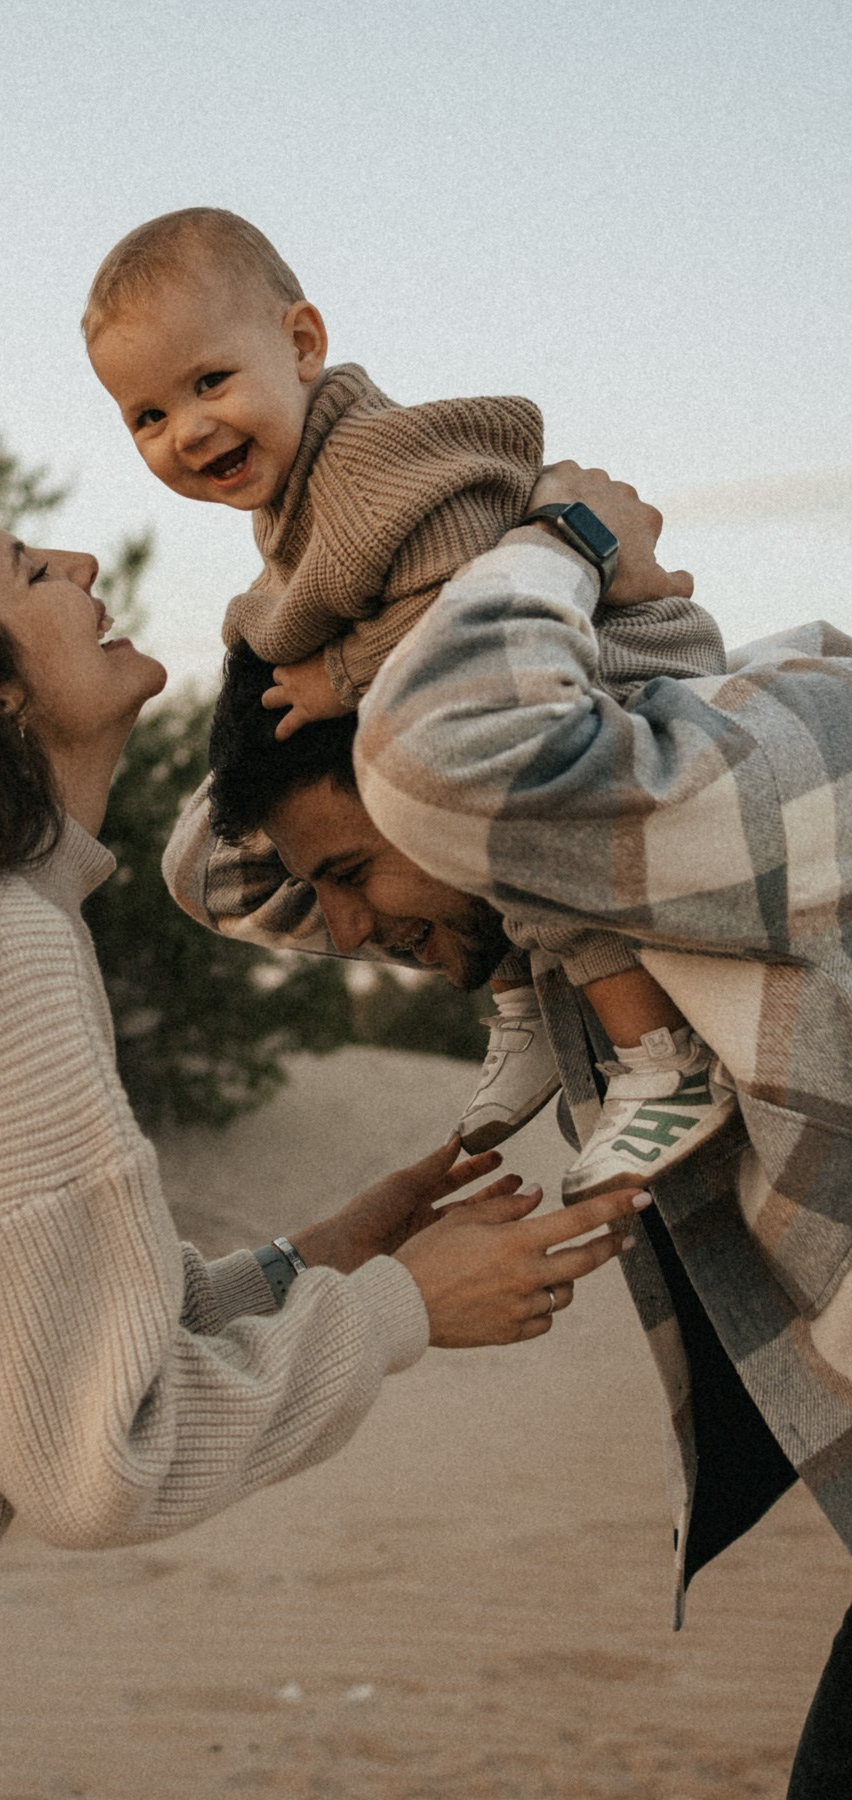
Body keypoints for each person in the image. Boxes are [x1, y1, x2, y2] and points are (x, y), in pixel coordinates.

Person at [0, 465, 648, 1798]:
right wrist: (405, 1306)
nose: (77, 560)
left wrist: (319, 1260)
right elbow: (95, 1457)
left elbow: (13, 1337)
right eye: (23, 569)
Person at [162, 469, 852, 1798]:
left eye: (355, 876)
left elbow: (435, 752)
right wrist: (332, 628)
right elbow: (215, 867)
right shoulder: (549, 893)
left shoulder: (751, 769)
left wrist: (569, 538)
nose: (346, 933)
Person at [83, 204, 738, 1201]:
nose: (191, 429)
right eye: (149, 416)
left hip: (618, 677)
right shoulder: (288, 502)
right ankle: (524, 996)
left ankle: (662, 1058)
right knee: (448, 800)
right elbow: (214, 857)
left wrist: (339, 679)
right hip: (525, 696)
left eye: (210, 381)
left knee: (478, 784)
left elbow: (469, 613)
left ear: (303, 344)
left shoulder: (373, 463)